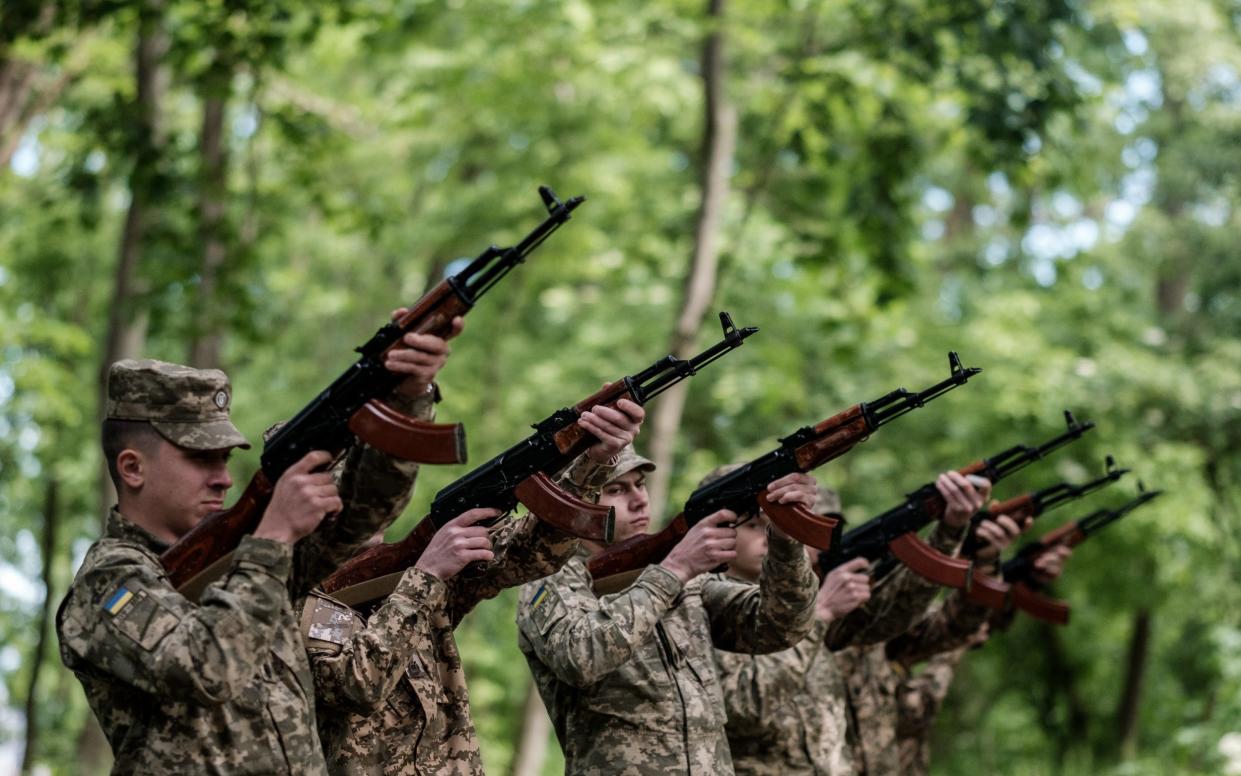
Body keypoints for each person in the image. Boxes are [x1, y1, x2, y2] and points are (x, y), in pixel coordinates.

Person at [57, 322, 458, 774]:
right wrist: (273, 538)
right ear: (133, 468)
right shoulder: (108, 580)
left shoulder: (241, 558)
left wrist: (405, 394)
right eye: (201, 458)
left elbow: (364, 511)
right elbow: (205, 666)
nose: (224, 478)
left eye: (226, 458)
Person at [304, 400, 646, 775]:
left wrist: (593, 462)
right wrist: (428, 574)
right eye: (353, 490)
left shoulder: (409, 571)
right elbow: (358, 685)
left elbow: (531, 552)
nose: (371, 503)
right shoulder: (293, 597)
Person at [515, 446, 820, 774]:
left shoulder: (671, 571)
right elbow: (580, 657)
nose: (639, 499)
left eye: (640, 484)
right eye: (616, 489)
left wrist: (786, 541)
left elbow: (779, 625)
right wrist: (673, 572)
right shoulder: (550, 578)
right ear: (578, 500)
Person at [714, 473, 996, 776]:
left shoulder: (816, 596)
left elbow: (896, 610)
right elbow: (746, 710)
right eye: (755, 524)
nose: (775, 534)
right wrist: (821, 611)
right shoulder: (707, 605)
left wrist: (951, 529)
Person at [892, 545, 1073, 776]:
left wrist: (1024, 581)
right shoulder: (879, 647)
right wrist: (953, 650)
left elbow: (970, 620)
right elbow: (913, 713)